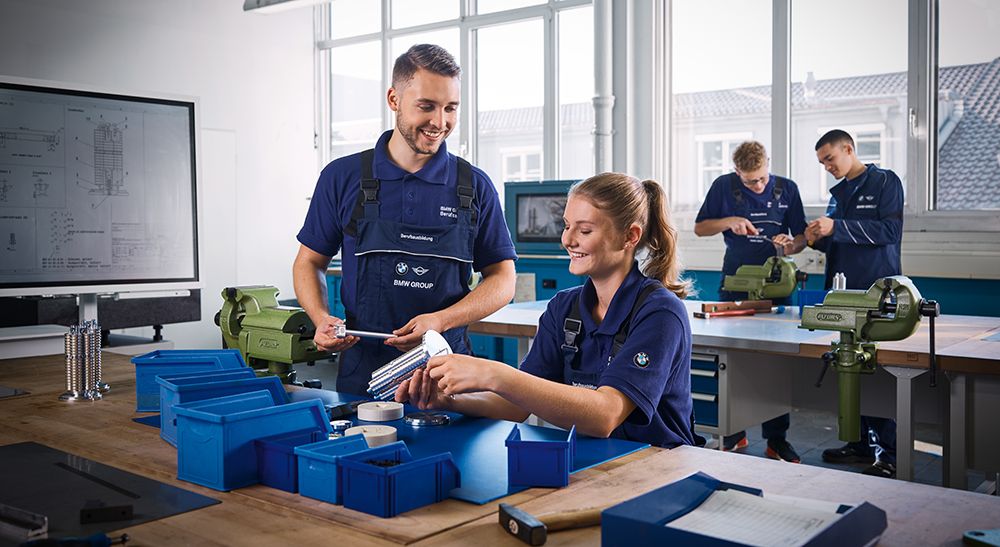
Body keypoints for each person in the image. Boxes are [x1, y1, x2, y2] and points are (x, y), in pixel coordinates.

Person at [395, 173, 697, 449]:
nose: (568, 240)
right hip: (594, 463)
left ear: (630, 237)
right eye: (566, 226)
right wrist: (449, 400)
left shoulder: (660, 314)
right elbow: (516, 406)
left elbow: (606, 415)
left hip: (657, 469)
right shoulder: (564, 308)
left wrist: (494, 373)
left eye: (585, 230)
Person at [293, 44, 517, 397]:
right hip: (363, 378)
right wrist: (321, 318)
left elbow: (503, 279)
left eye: (450, 108)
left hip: (449, 378)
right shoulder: (342, 177)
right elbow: (309, 261)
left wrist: (440, 322)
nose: (439, 122)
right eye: (426, 106)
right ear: (394, 99)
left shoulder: (474, 186)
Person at [693, 141, 807, 463]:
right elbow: (700, 228)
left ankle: (776, 440)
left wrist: (790, 244)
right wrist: (728, 221)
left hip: (776, 278)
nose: (757, 185)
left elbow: (800, 239)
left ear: (768, 163)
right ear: (736, 173)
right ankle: (731, 433)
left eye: (760, 179)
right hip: (735, 278)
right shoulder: (722, 187)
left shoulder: (788, 189)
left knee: (776, 359)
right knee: (730, 354)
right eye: (749, 181)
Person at [808, 129, 904, 479]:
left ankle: (888, 454)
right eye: (822, 163)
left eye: (830, 159)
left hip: (877, 294)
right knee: (851, 370)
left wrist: (836, 226)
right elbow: (838, 241)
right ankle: (861, 445)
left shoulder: (885, 182)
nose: (827, 167)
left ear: (848, 149)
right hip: (842, 295)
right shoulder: (839, 194)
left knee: (877, 373)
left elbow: (889, 233)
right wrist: (812, 239)